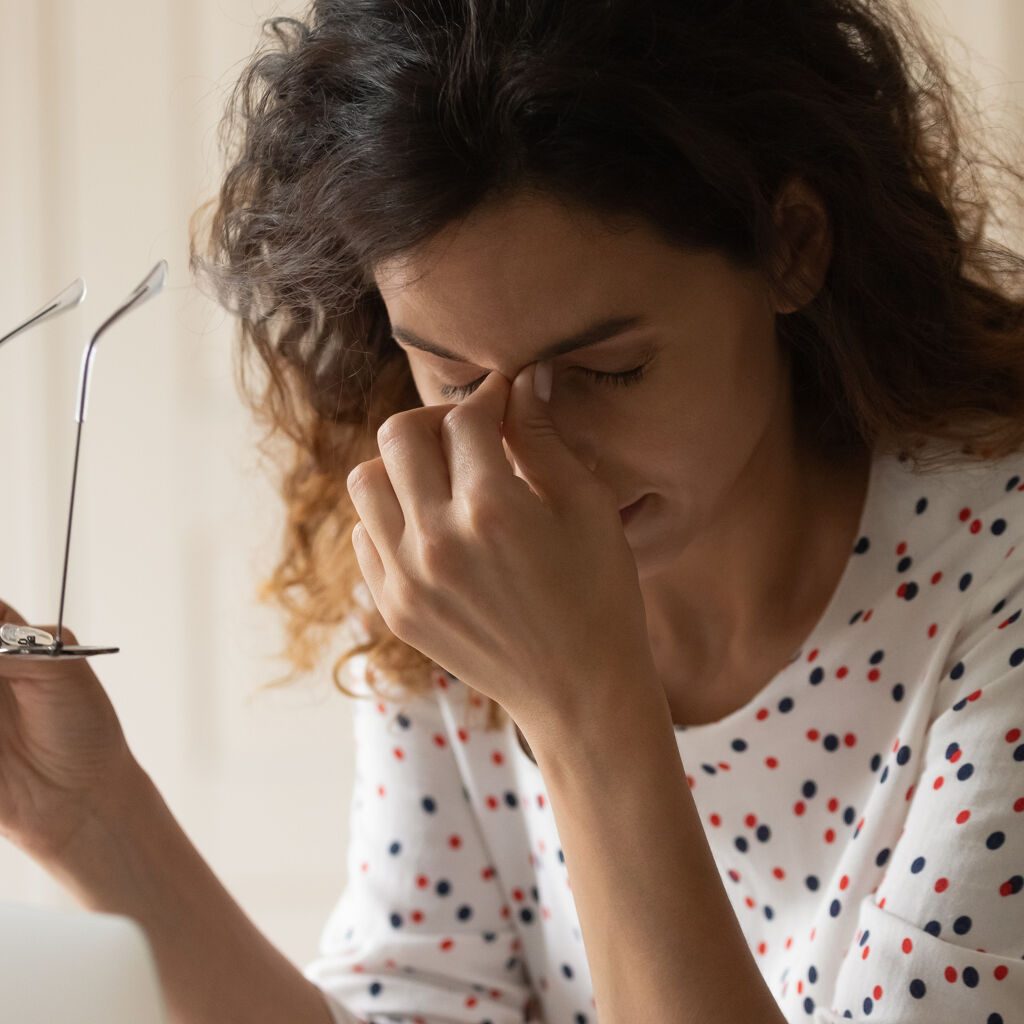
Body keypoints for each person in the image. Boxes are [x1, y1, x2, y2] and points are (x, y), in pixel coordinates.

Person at [2, 0, 1024, 1021]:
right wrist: (84, 816)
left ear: (789, 246)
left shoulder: (998, 581)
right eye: (450, 378)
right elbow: (424, 1001)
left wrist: (585, 704)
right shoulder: (458, 547)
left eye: (607, 371)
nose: (522, 464)